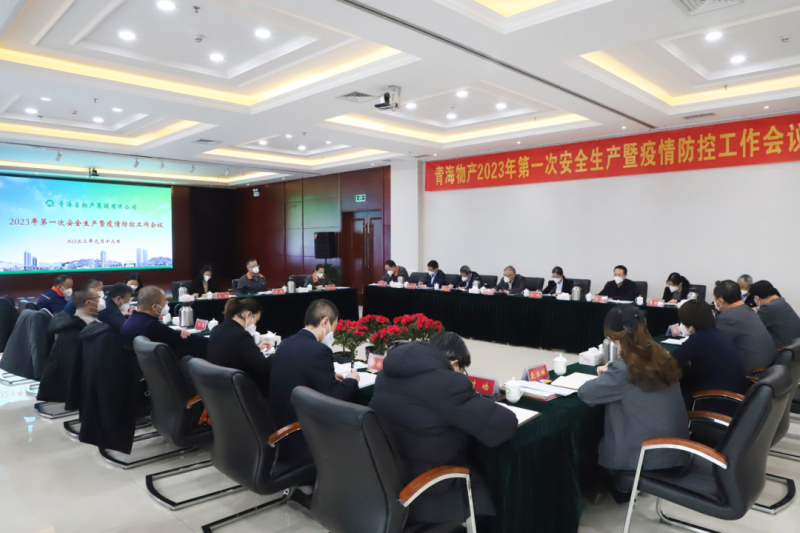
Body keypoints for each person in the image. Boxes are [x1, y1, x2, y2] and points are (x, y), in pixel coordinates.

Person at [369, 331, 516, 527]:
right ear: (454, 364)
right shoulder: (450, 383)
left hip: (386, 483)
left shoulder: (386, 375)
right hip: (428, 493)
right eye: (462, 370)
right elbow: (503, 426)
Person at [578, 306, 689, 472]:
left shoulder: (624, 368)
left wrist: (610, 374)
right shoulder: (663, 355)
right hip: (676, 451)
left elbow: (585, 393)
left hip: (645, 455)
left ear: (615, 335)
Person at [268, 299, 360, 471]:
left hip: (278, 425)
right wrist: (352, 379)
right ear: (325, 322)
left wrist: (327, 376)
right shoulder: (319, 350)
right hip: (303, 435)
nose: (332, 333)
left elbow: (297, 373)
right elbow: (336, 396)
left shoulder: (286, 342)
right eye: (333, 327)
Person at [672, 300, 749, 411]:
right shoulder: (718, 334)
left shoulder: (699, 339)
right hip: (734, 395)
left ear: (689, 322)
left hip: (716, 400)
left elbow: (671, 359)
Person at [207, 298, 273, 398]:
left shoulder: (217, 329)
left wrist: (256, 348)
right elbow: (265, 367)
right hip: (239, 391)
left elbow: (232, 352)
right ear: (248, 315)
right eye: (255, 321)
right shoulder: (240, 335)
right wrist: (275, 355)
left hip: (219, 389)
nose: (254, 325)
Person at [120, 286, 208, 358]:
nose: (167, 304)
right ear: (154, 307)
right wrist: (211, 342)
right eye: (165, 301)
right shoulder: (152, 326)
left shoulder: (129, 321)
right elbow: (184, 340)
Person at [713, 280, 775, 373]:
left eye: (715, 299)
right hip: (767, 365)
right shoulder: (747, 309)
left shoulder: (728, 316)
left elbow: (715, 345)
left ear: (720, 301)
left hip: (750, 370)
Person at [750, 280, 800, 348]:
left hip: (787, 348)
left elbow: (753, 326)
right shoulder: (781, 301)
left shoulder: (767, 308)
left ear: (756, 298)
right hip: (796, 344)